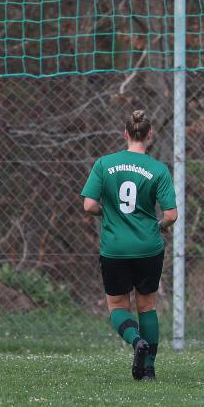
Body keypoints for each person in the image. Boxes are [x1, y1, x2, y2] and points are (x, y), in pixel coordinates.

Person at [81, 110, 177, 381]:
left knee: (117, 307)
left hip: (115, 249)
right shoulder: (158, 169)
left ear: (125, 134)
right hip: (148, 247)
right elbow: (171, 215)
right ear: (149, 135)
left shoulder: (104, 164)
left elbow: (88, 205)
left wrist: (107, 213)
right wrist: (158, 226)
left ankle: (136, 341)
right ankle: (149, 370)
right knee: (147, 307)